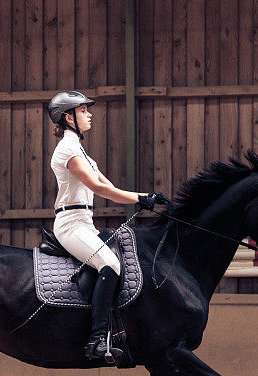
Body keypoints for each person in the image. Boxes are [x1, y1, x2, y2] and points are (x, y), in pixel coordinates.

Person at [47, 90, 168, 360]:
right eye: (83, 111)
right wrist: (140, 198)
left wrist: (146, 197)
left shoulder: (82, 152)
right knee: (110, 264)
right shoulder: (67, 149)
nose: (89, 115)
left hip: (84, 222)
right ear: (68, 117)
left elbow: (111, 187)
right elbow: (99, 188)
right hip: (70, 225)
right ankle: (97, 339)